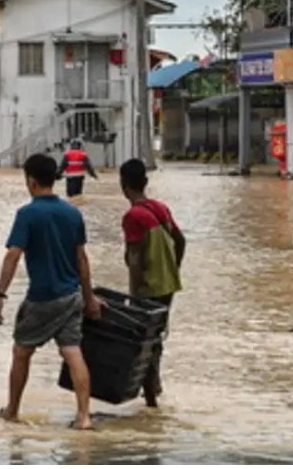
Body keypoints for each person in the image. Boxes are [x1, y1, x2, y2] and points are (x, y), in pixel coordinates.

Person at [0, 153, 102, 429]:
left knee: (21, 352)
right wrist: (89, 299)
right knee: (73, 352)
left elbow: (13, 256)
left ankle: (12, 411)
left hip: (42, 298)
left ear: (31, 180)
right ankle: (84, 416)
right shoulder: (73, 213)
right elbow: (82, 260)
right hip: (71, 296)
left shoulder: (27, 214)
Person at [119, 158, 186, 408]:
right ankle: (155, 388)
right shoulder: (160, 208)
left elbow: (135, 259)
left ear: (123, 184)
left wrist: (133, 298)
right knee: (155, 339)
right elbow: (181, 242)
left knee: (142, 344)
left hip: (148, 289)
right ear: (145, 182)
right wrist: (171, 269)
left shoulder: (133, 216)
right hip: (168, 286)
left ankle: (150, 402)